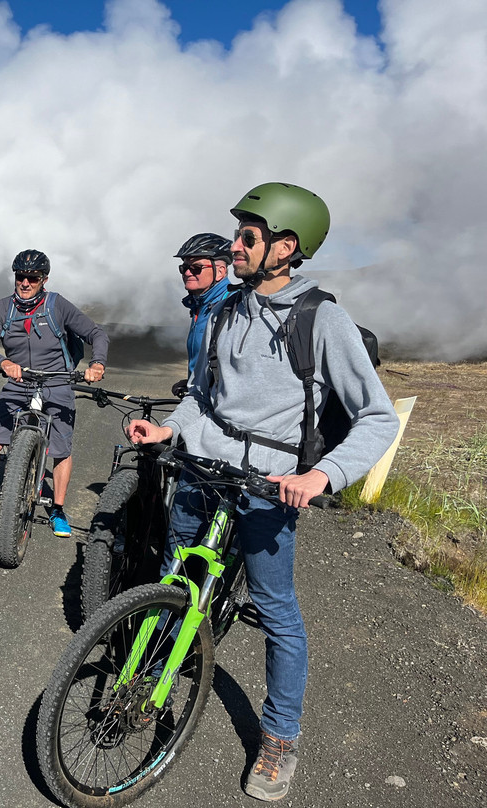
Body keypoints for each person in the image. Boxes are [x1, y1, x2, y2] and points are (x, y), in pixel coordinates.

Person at [126, 183, 398, 801]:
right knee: (173, 577)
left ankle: (279, 737)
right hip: (202, 470)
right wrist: (168, 429)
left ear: (286, 247)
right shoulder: (226, 311)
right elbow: (203, 396)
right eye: (237, 235)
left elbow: (377, 418)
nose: (235, 247)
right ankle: (155, 674)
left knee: (276, 611)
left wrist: (321, 475)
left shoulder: (322, 320)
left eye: (248, 237)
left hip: (268, 488)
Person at [0, 249, 109, 538]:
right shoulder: (3, 308)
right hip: (19, 382)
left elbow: (97, 334)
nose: (25, 283)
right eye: (20, 277)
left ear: (44, 280)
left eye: (33, 278)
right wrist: (3, 362)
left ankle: (58, 510)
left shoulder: (57, 305)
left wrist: (97, 364)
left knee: (61, 451)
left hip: (57, 382)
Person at [171, 232, 232, 397]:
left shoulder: (232, 306)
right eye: (184, 268)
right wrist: (193, 382)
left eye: (196, 268)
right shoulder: (200, 305)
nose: (187, 273)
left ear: (220, 272)